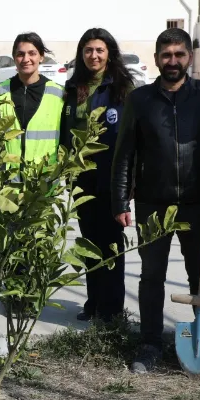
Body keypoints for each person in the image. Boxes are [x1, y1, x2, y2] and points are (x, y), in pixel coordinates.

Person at [111, 28, 200, 375]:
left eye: (179, 54)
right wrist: (121, 201)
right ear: (156, 60)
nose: (173, 61)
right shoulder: (140, 101)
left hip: (199, 201)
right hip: (153, 204)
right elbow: (124, 156)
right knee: (152, 275)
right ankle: (150, 342)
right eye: (166, 55)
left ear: (189, 58)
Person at [62, 29, 135, 324]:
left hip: (111, 177)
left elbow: (130, 137)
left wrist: (129, 181)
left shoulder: (121, 87)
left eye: (100, 50)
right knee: (89, 241)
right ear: (82, 54)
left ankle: (112, 309)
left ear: (109, 54)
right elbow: (66, 132)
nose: (94, 56)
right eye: (88, 50)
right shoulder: (73, 87)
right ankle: (93, 303)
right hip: (83, 178)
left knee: (111, 242)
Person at [0, 32, 67, 166]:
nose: (26, 59)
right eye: (20, 54)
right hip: (7, 182)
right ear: (14, 58)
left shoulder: (59, 94)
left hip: (44, 180)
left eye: (32, 53)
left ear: (41, 57)